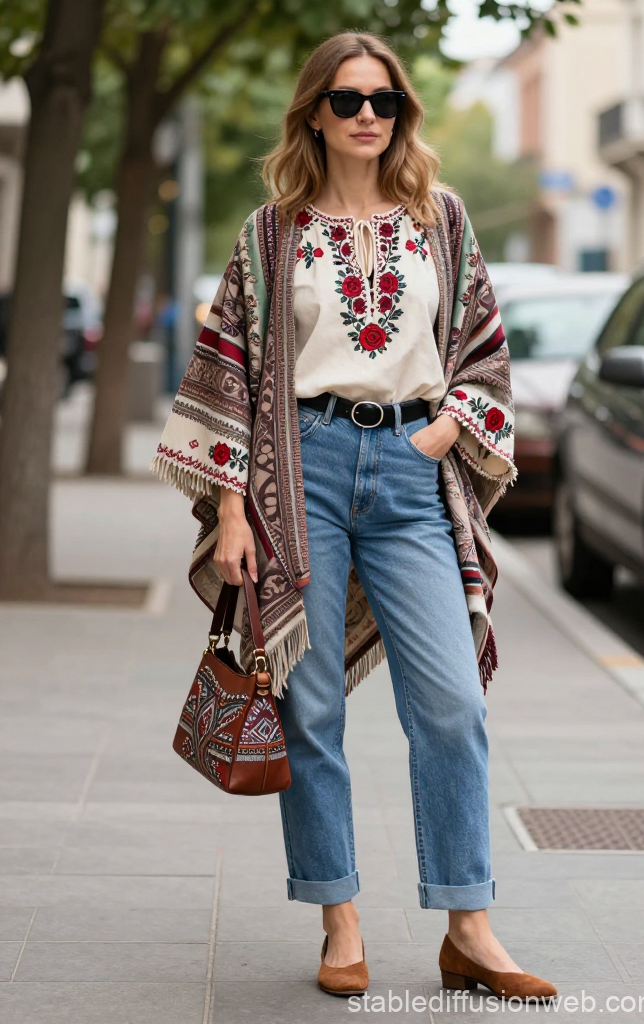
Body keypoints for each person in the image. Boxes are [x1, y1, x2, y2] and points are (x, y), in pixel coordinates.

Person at [152, 31, 557, 1003]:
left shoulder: (441, 221)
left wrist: (439, 434)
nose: (368, 114)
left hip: (415, 473)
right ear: (315, 114)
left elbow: (486, 356)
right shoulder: (271, 232)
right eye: (347, 99)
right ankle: (340, 918)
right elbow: (229, 371)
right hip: (303, 470)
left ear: (401, 113)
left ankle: (471, 926)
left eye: (384, 100)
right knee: (313, 705)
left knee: (452, 704)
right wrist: (232, 502)